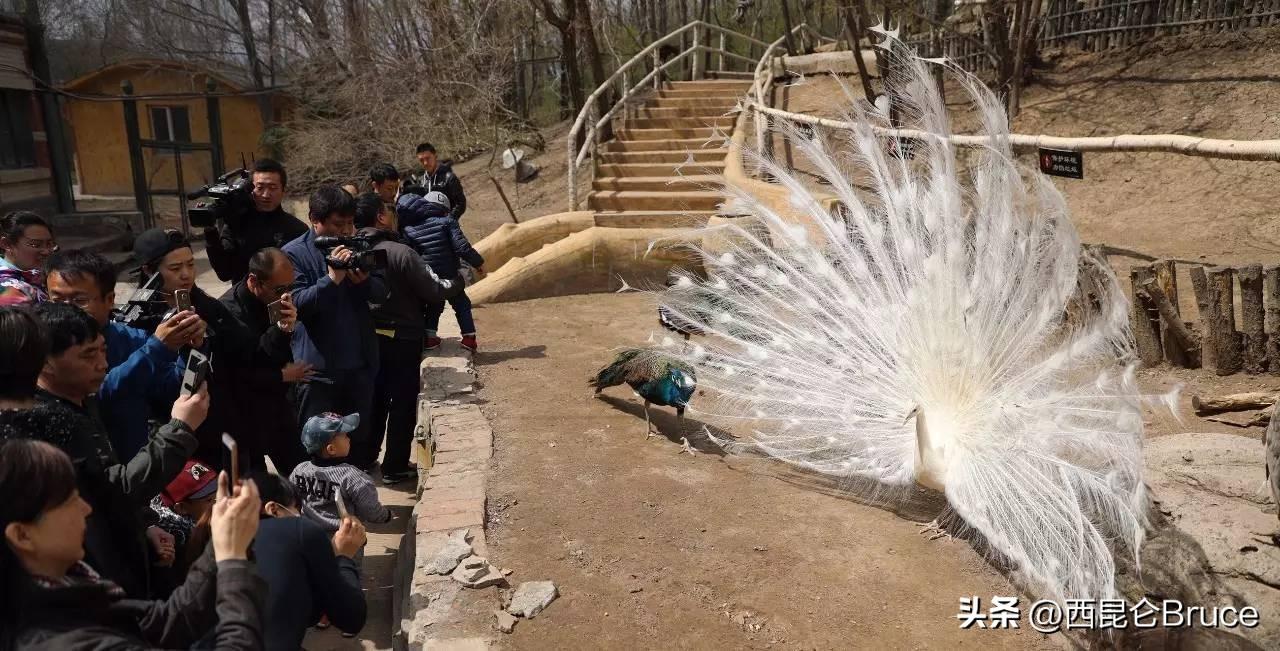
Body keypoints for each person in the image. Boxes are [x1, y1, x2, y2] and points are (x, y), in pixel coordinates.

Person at [5, 302, 210, 598]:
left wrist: (144, 525)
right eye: (88, 355)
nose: (102, 363)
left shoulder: (84, 399)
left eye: (102, 350)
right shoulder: (44, 425)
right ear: (46, 362)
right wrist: (180, 429)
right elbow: (115, 488)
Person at [0, 439, 266, 649]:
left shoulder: (71, 587)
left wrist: (219, 544)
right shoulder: (61, 639)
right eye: (69, 502)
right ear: (22, 536)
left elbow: (166, 621)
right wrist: (233, 562)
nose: (85, 508)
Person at [45, 248, 203, 458]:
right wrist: (156, 349)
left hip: (135, 466)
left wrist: (190, 348)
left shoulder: (135, 340)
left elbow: (171, 390)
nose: (66, 310)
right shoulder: (39, 346)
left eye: (78, 301)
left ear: (109, 299)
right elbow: (97, 394)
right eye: (56, 300)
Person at [283, 185, 388, 470]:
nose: (345, 231)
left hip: (359, 367)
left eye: (350, 223)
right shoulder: (293, 255)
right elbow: (297, 303)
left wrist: (363, 281)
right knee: (318, 447)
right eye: (337, 224)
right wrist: (332, 278)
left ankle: (356, 501)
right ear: (314, 219)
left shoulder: (359, 246)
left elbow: (382, 293)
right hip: (317, 373)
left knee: (357, 441)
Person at [354, 192, 455, 482]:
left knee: (373, 399)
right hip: (403, 340)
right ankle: (395, 466)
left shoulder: (349, 253)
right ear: (381, 217)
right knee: (401, 403)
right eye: (390, 211)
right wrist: (458, 279)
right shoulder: (401, 253)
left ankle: (364, 458)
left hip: (367, 340)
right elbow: (434, 289)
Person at [135, 227, 257, 466]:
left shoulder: (208, 307)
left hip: (224, 428)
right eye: (175, 268)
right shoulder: (140, 322)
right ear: (149, 271)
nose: (186, 274)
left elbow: (243, 350)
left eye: (190, 265)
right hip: (177, 437)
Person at [219, 247, 312, 474]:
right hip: (243, 415)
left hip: (277, 407)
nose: (285, 295)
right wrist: (280, 375)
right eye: (280, 289)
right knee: (255, 488)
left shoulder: (276, 302)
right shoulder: (228, 313)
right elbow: (237, 372)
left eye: (291, 287)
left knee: (301, 473)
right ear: (254, 281)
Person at [250, 469, 367, 648]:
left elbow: (308, 614)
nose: (299, 516)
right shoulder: (300, 531)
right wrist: (343, 557)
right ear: (273, 509)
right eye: (296, 509)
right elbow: (352, 618)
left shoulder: (216, 540)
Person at [398, 190, 484, 352]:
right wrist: (477, 262)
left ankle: (430, 339)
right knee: (462, 305)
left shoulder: (409, 228)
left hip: (429, 277)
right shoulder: (448, 221)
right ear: (445, 210)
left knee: (434, 304)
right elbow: (461, 247)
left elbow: (411, 254)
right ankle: (469, 339)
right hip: (451, 275)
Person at [204, 158, 308, 283]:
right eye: (260, 188)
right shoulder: (236, 224)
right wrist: (210, 233)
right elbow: (224, 273)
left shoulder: (297, 230)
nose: (265, 194)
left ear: (283, 191)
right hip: (243, 300)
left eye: (272, 187)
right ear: (249, 190)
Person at [290, 413, 393, 536]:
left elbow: (291, 498)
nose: (349, 438)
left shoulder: (299, 470)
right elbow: (370, 510)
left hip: (310, 535)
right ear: (331, 449)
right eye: (344, 435)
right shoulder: (353, 477)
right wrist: (386, 515)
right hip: (345, 538)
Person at [150, 459, 218, 581]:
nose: (218, 502)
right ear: (181, 508)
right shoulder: (175, 545)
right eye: (209, 500)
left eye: (218, 494)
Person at [0, 211, 54, 306]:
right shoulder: (7, 289)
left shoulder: (40, 271)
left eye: (49, 244)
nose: (46, 251)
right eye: (35, 245)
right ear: (6, 244)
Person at [409, 143, 466, 220]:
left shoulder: (449, 177)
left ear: (435, 156)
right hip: (429, 225)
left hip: (448, 224)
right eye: (421, 160)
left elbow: (461, 204)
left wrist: (449, 220)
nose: (425, 163)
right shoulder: (421, 181)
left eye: (428, 158)